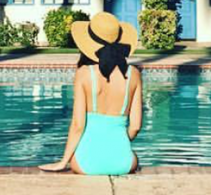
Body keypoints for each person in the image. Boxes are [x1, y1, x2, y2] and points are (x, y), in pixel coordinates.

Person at [38, 12, 143, 175]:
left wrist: (63, 162)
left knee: (80, 154)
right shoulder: (133, 74)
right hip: (123, 162)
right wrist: (117, 144)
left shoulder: (84, 74)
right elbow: (135, 126)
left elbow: (78, 125)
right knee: (133, 157)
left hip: (86, 163)